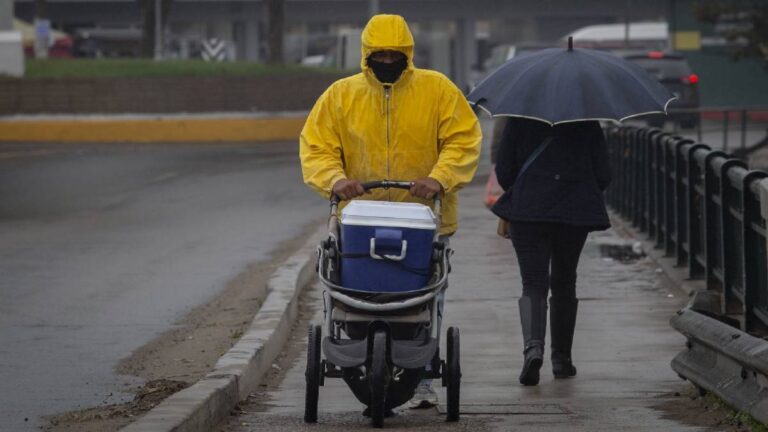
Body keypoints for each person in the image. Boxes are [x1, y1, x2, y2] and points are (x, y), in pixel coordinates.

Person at [299, 14, 482, 407]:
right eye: (379, 55)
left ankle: (423, 375)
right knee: (355, 293)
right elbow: (317, 146)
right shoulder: (340, 96)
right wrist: (335, 180)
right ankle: (359, 349)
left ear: (407, 54)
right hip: (359, 221)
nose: (386, 61)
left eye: (393, 55)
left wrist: (439, 179)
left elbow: (463, 140)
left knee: (426, 297)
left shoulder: (437, 90)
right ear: (366, 55)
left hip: (423, 219)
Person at [491, 117, 611, 386]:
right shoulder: (586, 121)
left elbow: (505, 172)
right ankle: (562, 360)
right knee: (565, 280)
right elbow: (604, 174)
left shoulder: (520, 119)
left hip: (528, 210)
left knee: (533, 282)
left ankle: (533, 348)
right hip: (573, 211)